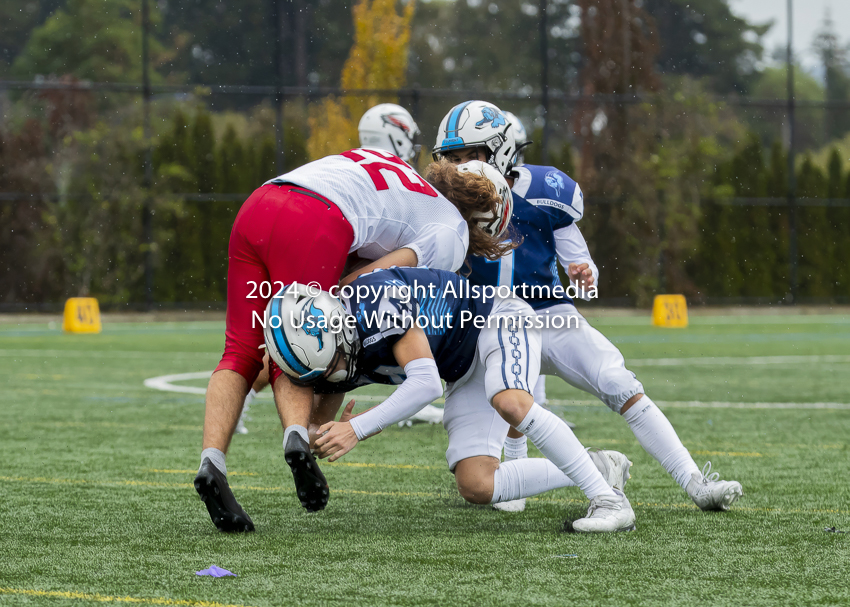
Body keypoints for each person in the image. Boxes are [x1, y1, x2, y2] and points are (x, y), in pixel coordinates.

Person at [432, 100, 743, 514]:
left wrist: (583, 272)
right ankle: (520, 475)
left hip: (548, 315)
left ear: (501, 148)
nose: (461, 167)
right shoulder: (444, 203)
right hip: (484, 326)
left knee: (618, 382)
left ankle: (695, 481)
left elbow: (577, 258)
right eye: (453, 159)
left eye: (471, 155)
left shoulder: (544, 191)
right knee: (510, 401)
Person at [194, 147, 512, 533]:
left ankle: (212, 461)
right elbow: (375, 282)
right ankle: (300, 436)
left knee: (240, 351)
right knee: (315, 338)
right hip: (315, 216)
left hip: (260, 203)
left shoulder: (398, 173)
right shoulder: (453, 232)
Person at [265, 262, 637, 533]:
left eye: (337, 361)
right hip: (461, 368)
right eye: (323, 372)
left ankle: (609, 501)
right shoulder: (327, 355)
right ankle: (601, 466)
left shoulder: (375, 301)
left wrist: (358, 428)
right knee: (477, 485)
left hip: (496, 319)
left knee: (510, 401)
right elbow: (322, 420)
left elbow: (426, 383)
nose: (336, 372)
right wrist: (317, 434)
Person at [233, 103, 437, 434]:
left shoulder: (353, 158)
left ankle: (312, 425)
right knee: (319, 337)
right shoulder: (395, 172)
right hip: (335, 248)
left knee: (316, 338)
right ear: (398, 135)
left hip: (318, 235)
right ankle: (307, 425)